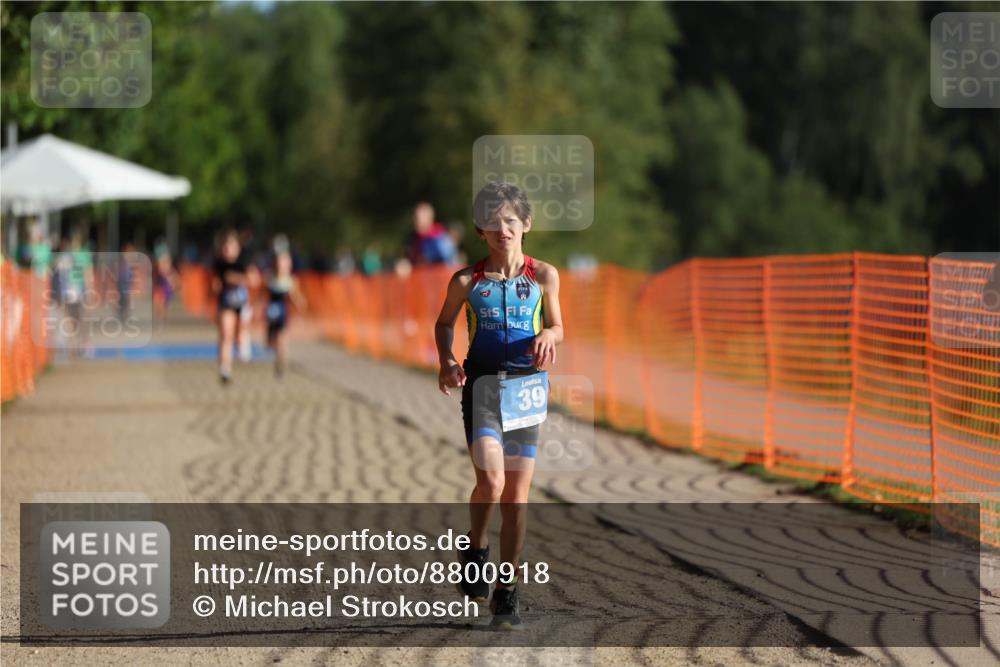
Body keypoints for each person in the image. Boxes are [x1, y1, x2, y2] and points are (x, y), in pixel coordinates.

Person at [433, 181, 564, 629]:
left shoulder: (544, 276)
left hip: (527, 390)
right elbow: (444, 324)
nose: (502, 228)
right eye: (493, 222)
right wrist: (447, 359)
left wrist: (550, 334)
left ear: (525, 225)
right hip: (484, 388)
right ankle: (475, 546)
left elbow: (559, 326)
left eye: (511, 220)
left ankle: (507, 589)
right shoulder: (466, 281)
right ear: (481, 231)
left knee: (517, 499)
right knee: (490, 483)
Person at [263, 235, 306, 378]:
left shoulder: (291, 281)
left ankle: (280, 366)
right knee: (270, 343)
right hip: (271, 315)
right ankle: (274, 350)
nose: (282, 264)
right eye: (279, 262)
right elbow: (262, 296)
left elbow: (299, 300)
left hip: (283, 314)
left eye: (285, 262)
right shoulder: (270, 279)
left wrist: (297, 301)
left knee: (282, 340)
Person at [212, 230, 249, 384]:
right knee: (226, 335)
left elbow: (252, 279)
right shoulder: (218, 264)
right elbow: (216, 283)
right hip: (226, 303)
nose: (228, 250)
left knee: (239, 334)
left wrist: (236, 278)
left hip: (242, 304)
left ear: (237, 248)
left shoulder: (244, 263)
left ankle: (242, 345)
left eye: (231, 246)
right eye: (225, 247)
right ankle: (225, 369)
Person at [407, 202, 457, 266]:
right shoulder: (413, 239)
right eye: (414, 217)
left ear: (429, 218)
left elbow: (449, 263)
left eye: (417, 218)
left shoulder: (441, 239)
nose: (414, 221)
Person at [152, 239, 179, 322]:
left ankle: (162, 317)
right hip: (162, 284)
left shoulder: (166, 264)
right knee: (159, 302)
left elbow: (174, 277)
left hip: (166, 285)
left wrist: (175, 284)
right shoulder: (161, 263)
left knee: (164, 303)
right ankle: (160, 316)